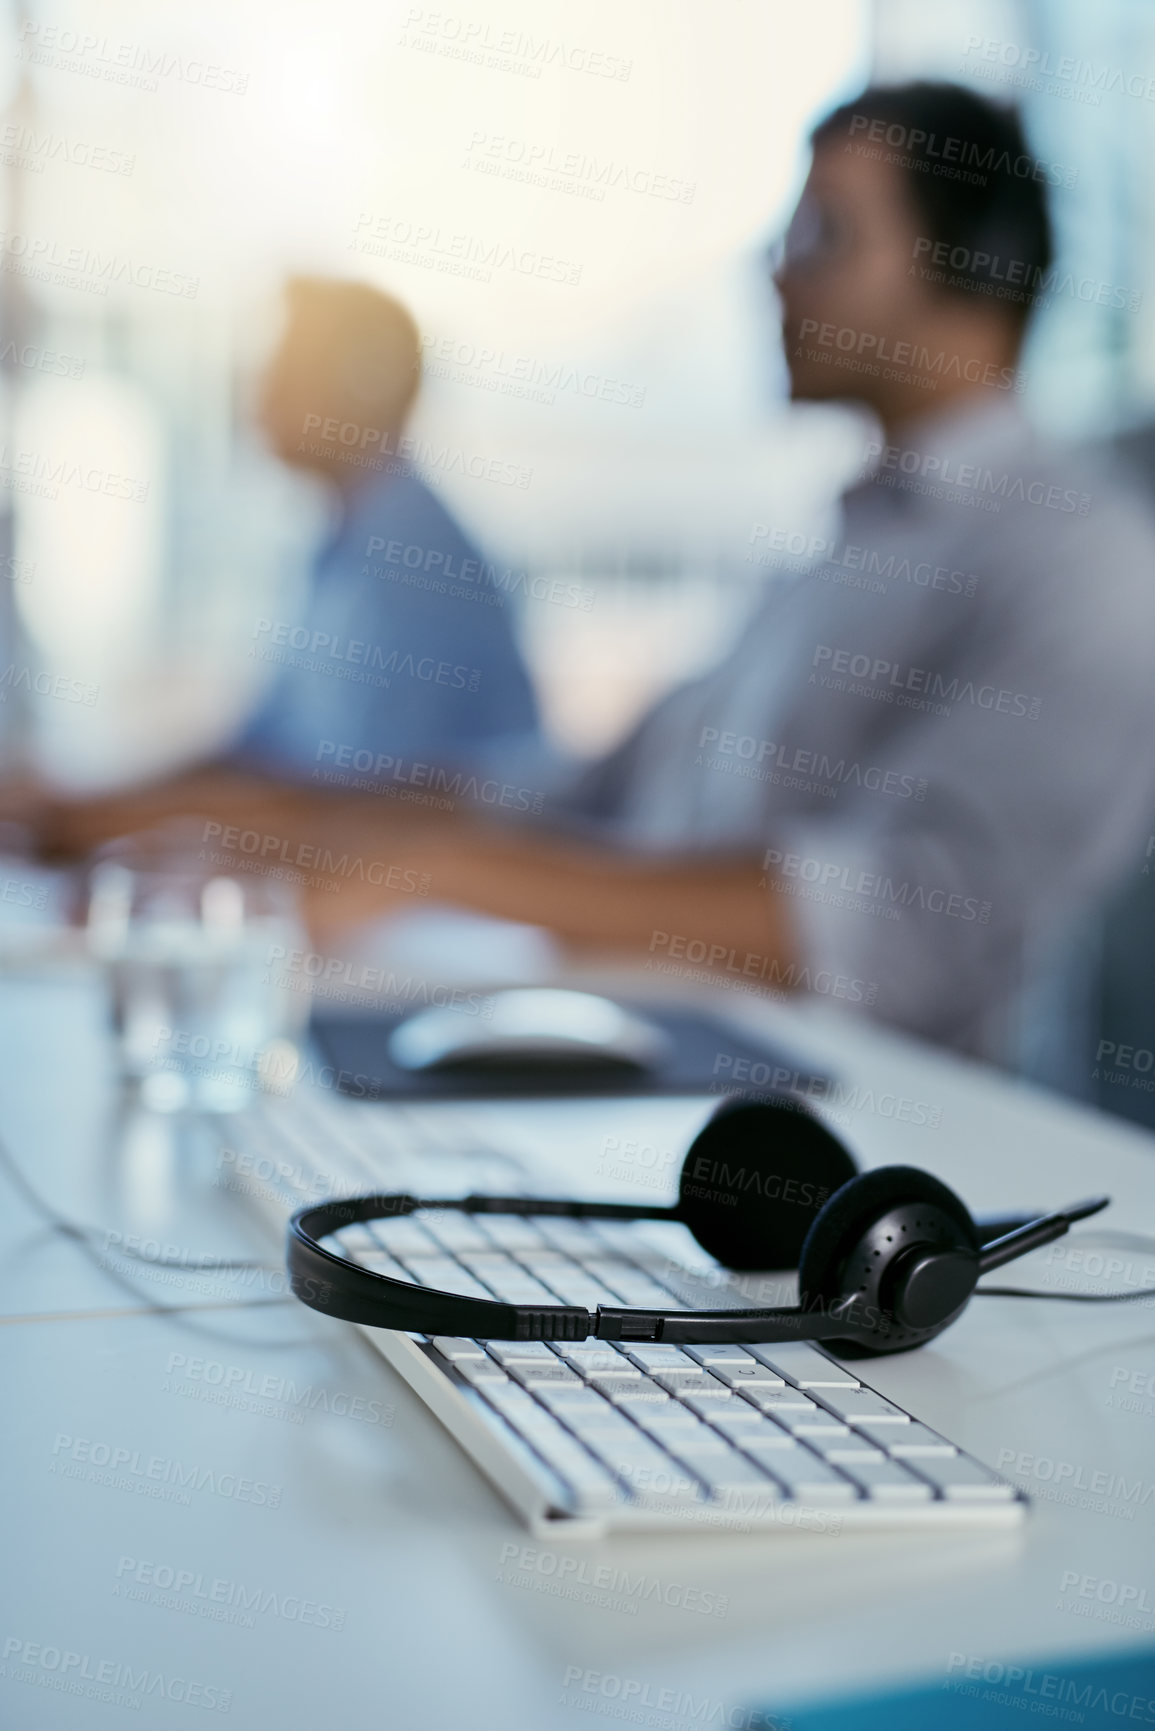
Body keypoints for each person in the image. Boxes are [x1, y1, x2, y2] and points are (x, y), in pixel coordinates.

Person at [34, 278, 540, 849]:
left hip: (418, 921)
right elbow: (256, 753)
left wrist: (111, 822)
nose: (257, 391)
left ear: (363, 387)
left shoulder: (414, 566)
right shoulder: (342, 541)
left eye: (284, 367)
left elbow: (371, 812)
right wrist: (94, 802)